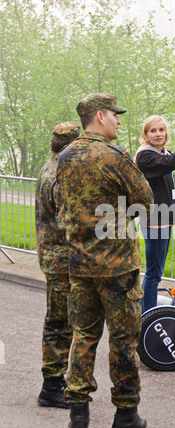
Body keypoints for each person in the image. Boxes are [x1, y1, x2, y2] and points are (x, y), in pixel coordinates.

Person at [56, 93, 153, 428]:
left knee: (83, 336)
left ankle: (78, 416)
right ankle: (125, 416)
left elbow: (60, 206)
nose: (119, 120)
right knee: (124, 339)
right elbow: (146, 202)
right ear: (100, 115)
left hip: (80, 264)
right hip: (117, 267)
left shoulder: (64, 157)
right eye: (115, 115)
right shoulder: (115, 157)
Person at [134, 115, 175, 313]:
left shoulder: (163, 153)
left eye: (161, 130)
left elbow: (165, 190)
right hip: (154, 219)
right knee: (154, 273)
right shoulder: (145, 156)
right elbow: (170, 163)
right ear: (145, 134)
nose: (158, 134)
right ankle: (148, 316)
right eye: (153, 131)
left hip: (167, 217)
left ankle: (149, 309)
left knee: (158, 271)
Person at [35, 121, 81, 409]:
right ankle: (51, 385)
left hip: (54, 257)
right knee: (60, 323)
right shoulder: (60, 175)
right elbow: (69, 223)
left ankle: (55, 380)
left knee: (59, 320)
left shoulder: (49, 167)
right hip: (61, 259)